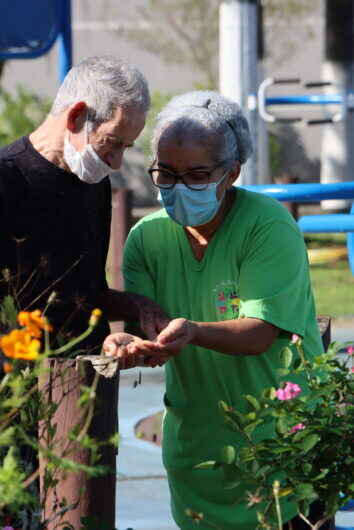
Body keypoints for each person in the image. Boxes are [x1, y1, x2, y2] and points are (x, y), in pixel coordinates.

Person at [0, 56, 168, 470]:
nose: (116, 162)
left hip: (75, 405)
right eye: (112, 142)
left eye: (126, 148)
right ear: (77, 116)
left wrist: (137, 309)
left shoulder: (93, 187)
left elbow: (82, 294)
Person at [103, 91, 329, 530]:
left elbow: (260, 333)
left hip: (284, 447)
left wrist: (192, 332)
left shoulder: (268, 226)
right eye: (165, 174)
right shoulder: (146, 239)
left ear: (232, 173)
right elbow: (146, 335)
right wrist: (126, 342)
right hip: (197, 450)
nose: (178, 186)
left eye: (196, 174)